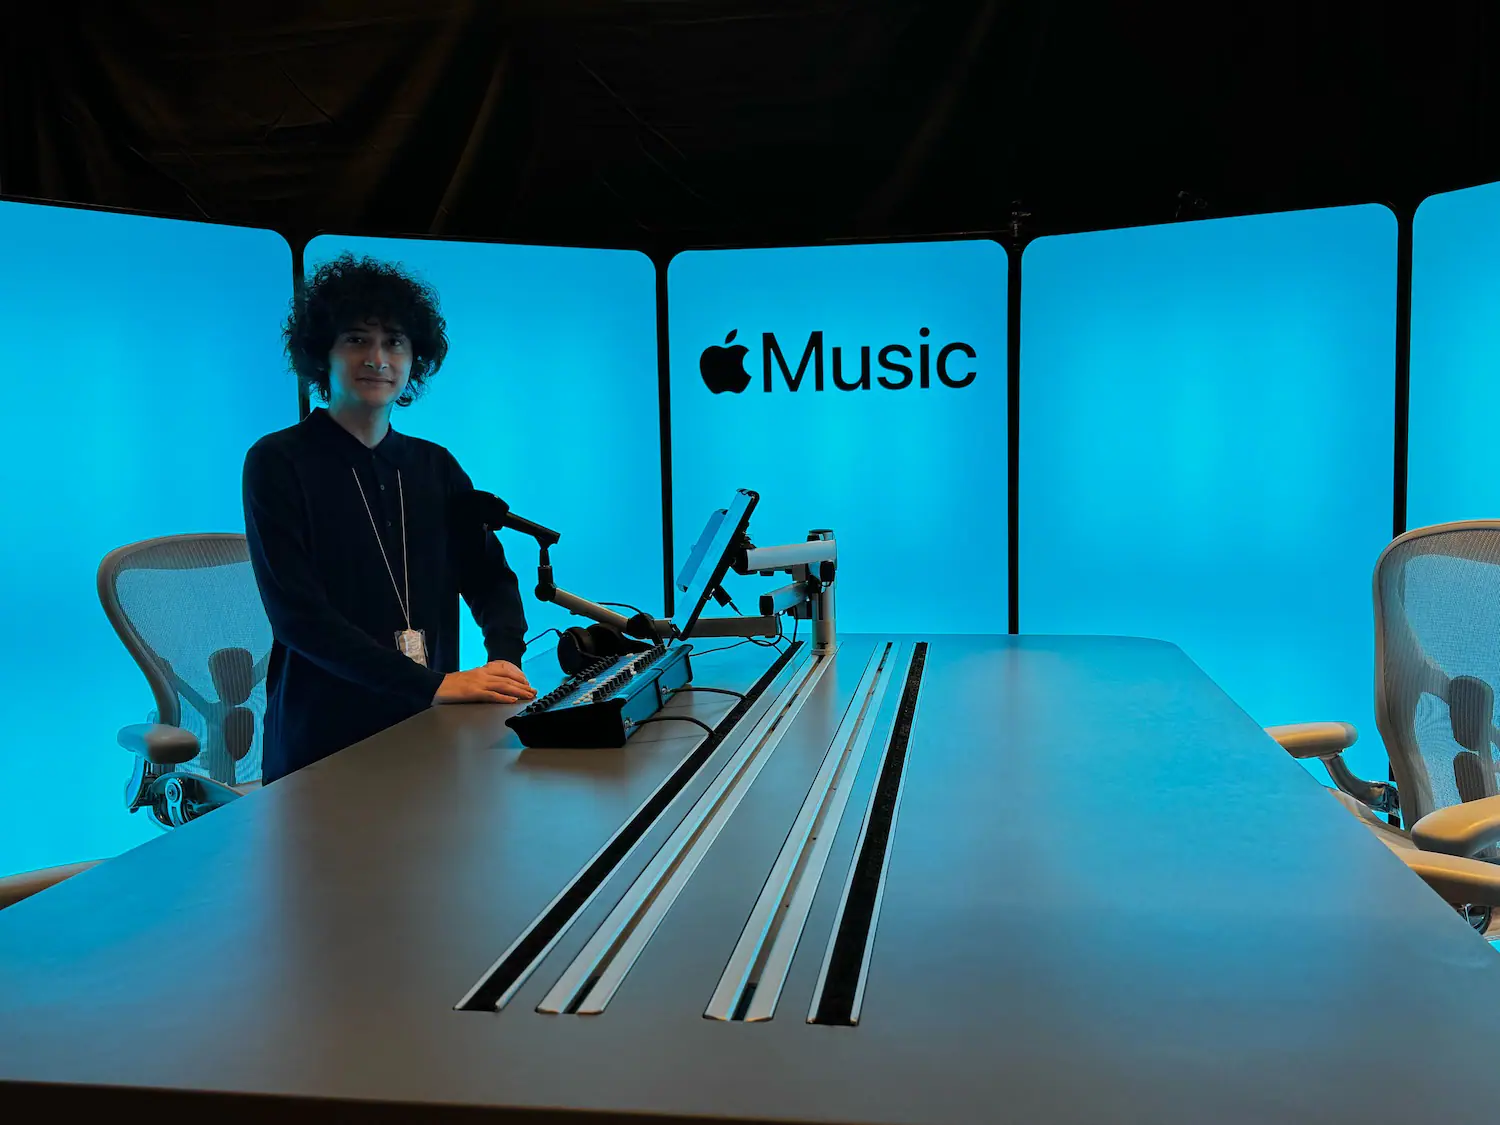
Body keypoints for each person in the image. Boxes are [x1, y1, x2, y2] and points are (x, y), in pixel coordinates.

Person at [243, 253, 535, 784]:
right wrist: (433, 685)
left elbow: (489, 578)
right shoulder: (278, 461)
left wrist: (505, 663)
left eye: (394, 342)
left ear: (414, 357)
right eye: (357, 339)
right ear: (323, 353)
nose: (378, 358)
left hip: (433, 726)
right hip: (322, 740)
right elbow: (298, 618)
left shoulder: (436, 465)